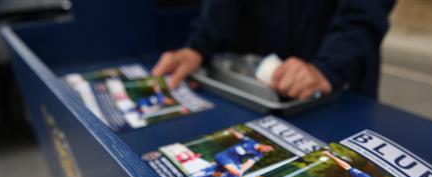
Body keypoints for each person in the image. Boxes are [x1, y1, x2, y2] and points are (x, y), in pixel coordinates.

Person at [152, 0, 396, 99]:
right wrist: (197, 47)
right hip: (261, 78)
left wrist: (328, 66)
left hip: (335, 83)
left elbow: (365, 11)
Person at [191, 128, 274, 177]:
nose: (266, 151)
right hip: (224, 156)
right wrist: (232, 130)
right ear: (265, 145)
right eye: (267, 149)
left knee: (218, 174)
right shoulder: (251, 142)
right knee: (234, 171)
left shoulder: (259, 154)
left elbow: (249, 163)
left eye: (268, 151)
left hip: (234, 162)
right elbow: (240, 136)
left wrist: (241, 170)